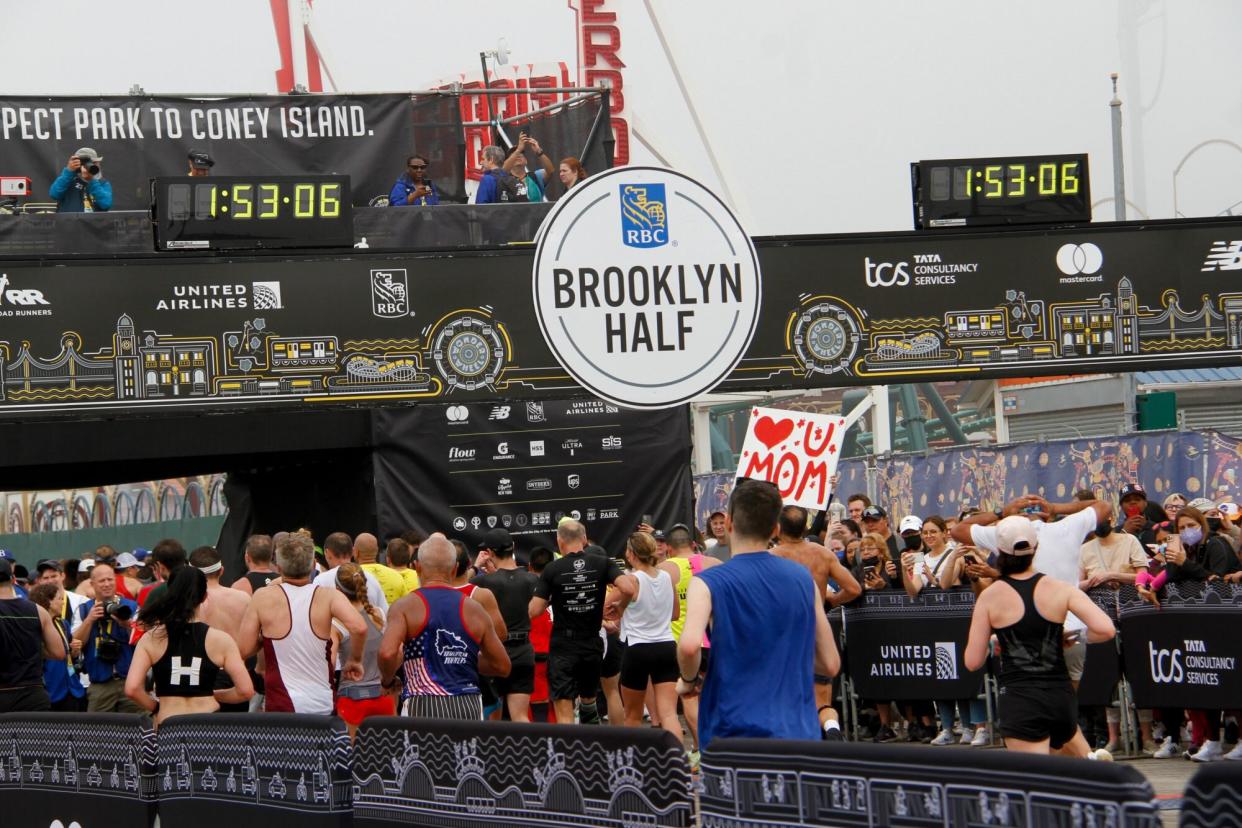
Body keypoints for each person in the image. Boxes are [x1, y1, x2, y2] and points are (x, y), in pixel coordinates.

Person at [678, 481, 839, 749]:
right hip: (797, 732)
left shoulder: (706, 582)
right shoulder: (804, 580)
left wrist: (688, 680)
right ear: (775, 529)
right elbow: (830, 664)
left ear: (728, 523)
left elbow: (690, 645)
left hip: (730, 734)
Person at [964, 516, 1116, 755]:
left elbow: (972, 661)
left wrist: (998, 639)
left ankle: (1089, 769)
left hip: (1020, 698)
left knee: (1035, 782)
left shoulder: (990, 596)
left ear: (999, 551)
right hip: (1059, 697)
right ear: (1035, 548)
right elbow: (1106, 629)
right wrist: (1070, 637)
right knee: (1070, 767)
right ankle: (1092, 768)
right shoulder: (1060, 588)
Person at [379, 534, 510, 720]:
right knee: (466, 751)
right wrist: (462, 659)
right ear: (455, 569)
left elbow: (387, 653)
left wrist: (387, 681)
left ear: (417, 567)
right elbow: (503, 666)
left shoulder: (404, 606)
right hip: (467, 703)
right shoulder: (474, 608)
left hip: (422, 702)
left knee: (423, 751)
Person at [238, 534, 367, 714]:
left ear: (279, 567)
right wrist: (355, 660)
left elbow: (243, 649)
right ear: (314, 565)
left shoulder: (263, 596)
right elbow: (359, 627)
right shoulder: (328, 596)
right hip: (322, 702)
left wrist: (266, 638)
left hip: (282, 703)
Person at [529, 519, 635, 725]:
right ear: (584, 539)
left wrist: (551, 596)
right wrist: (620, 608)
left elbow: (534, 611)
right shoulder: (603, 563)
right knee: (589, 703)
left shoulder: (552, 569)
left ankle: (568, 754)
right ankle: (591, 751)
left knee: (564, 709)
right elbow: (629, 588)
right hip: (591, 643)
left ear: (559, 541)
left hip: (563, 647)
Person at [770, 505, 861, 740]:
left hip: (784, 633)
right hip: (818, 629)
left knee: (786, 696)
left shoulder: (772, 557)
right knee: (823, 699)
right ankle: (832, 729)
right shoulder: (822, 553)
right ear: (805, 527)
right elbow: (853, 588)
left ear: (778, 528)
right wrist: (829, 603)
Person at [125, 567, 253, 727]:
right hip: (208, 722)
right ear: (204, 596)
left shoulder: (152, 638)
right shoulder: (221, 640)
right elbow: (246, 690)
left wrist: (157, 707)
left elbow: (132, 688)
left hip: (168, 722)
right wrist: (213, 694)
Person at [609, 532, 682, 743]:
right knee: (668, 714)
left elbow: (606, 607)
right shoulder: (667, 577)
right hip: (666, 646)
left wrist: (621, 608)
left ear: (631, 554)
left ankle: (632, 766)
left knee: (632, 715)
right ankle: (677, 762)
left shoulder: (631, 580)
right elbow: (675, 614)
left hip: (638, 648)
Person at [472, 528, 540, 722]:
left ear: (490, 554)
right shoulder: (532, 579)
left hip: (494, 651)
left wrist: (476, 566)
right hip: (524, 650)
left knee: (495, 717)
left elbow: (459, 586)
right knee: (520, 716)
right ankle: (527, 752)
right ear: (514, 548)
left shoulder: (484, 581)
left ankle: (496, 752)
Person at [188, 546, 253, 712]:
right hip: (237, 674)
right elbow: (255, 640)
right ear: (222, 570)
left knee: (203, 735)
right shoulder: (243, 599)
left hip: (201, 674)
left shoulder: (191, 604)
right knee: (235, 734)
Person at [72, 562, 143, 713]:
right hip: (100, 684)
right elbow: (75, 643)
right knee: (98, 733)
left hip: (129, 681)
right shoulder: (84, 609)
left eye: (110, 579)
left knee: (137, 729)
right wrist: (90, 620)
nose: (107, 584)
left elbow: (142, 642)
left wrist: (127, 624)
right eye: (102, 581)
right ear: (92, 584)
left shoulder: (131, 607)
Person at [331, 564, 392, 738]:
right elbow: (395, 651)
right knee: (386, 761)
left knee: (352, 761)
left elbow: (328, 662)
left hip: (351, 701)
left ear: (337, 590)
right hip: (383, 698)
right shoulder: (379, 614)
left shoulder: (336, 623)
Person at [0, 559, 66, 713]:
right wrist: (32, 648)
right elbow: (59, 652)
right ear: (14, 580)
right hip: (33, 697)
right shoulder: (38, 611)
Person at [28, 583, 86, 711]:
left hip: (73, 689)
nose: (63, 603)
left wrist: (74, 650)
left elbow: (71, 655)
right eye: (59, 599)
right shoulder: (35, 627)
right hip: (51, 691)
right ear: (48, 601)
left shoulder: (63, 624)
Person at [313, 532, 389, 612]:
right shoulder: (370, 578)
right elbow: (385, 613)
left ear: (327, 553)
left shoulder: (320, 581)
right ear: (353, 551)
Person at [50, 147, 113, 213]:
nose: (87, 166)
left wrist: (92, 180)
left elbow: (106, 205)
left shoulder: (102, 183)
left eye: (94, 162)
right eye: (83, 163)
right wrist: (69, 171)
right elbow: (54, 194)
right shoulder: (68, 180)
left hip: (93, 223)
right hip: (68, 222)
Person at [355, 532, 408, 606]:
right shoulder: (397, 576)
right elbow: (405, 606)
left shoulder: (351, 576)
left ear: (356, 552)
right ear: (377, 551)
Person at [502, 132, 554, 202]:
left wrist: (539, 152)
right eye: (513, 155)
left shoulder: (536, 176)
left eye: (521, 155)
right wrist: (518, 150)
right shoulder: (505, 180)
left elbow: (550, 170)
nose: (518, 156)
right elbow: (502, 171)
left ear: (526, 161)